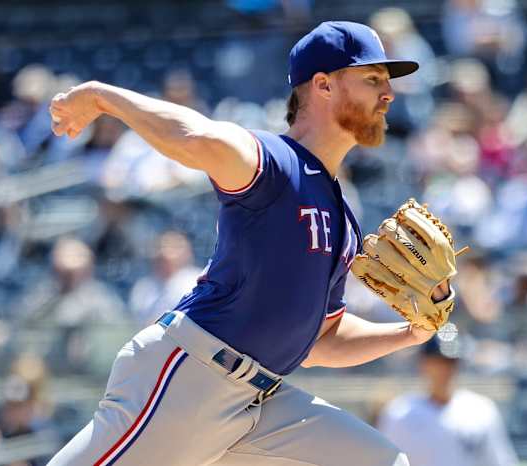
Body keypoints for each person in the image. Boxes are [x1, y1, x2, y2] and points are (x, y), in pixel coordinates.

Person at [47, 21, 451, 466]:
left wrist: (408, 333)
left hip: (262, 404)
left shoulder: (343, 216)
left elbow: (320, 340)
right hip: (191, 378)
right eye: (372, 79)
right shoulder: (275, 162)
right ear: (323, 85)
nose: (388, 94)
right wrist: (103, 97)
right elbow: (197, 137)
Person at [377, 336, 518, 466]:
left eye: (451, 361)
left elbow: (499, 462)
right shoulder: (399, 412)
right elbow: (385, 462)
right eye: (438, 361)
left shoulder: (481, 410)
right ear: (424, 363)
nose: (445, 369)